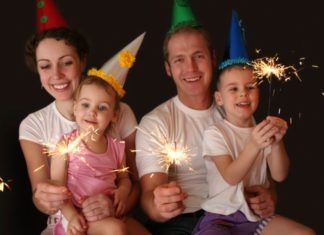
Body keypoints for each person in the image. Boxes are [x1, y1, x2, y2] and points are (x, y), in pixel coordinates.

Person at [135, 1, 276, 234]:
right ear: (168, 68)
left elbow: (265, 177)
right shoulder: (156, 123)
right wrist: (158, 204)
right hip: (184, 219)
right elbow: (149, 197)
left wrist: (268, 196)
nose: (190, 68)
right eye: (179, 59)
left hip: (238, 213)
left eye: (197, 56)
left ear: (212, 58)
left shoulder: (237, 109)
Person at [19, 1, 146, 233]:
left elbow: (135, 183)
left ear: (82, 61)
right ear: (38, 71)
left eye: (66, 62)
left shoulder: (122, 113)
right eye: (45, 66)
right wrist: (49, 198)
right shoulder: (34, 126)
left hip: (115, 217)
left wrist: (118, 203)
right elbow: (41, 194)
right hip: (70, 223)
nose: (57, 75)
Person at [192, 10, 315, 235]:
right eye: (234, 89)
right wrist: (254, 145)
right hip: (222, 218)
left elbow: (279, 175)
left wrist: (276, 143)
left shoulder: (262, 129)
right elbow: (230, 176)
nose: (243, 95)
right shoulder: (215, 133)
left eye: (250, 87)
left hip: (257, 217)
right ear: (219, 98)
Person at [51, 75, 136, 235]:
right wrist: (72, 216)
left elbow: (125, 179)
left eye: (102, 107)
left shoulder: (116, 147)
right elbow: (57, 189)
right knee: (116, 230)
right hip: (77, 217)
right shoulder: (66, 145)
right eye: (85, 105)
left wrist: (123, 192)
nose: (92, 112)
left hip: (108, 213)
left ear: (114, 115)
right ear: (75, 109)